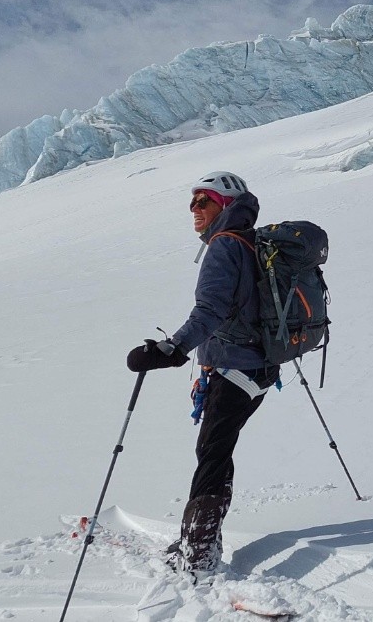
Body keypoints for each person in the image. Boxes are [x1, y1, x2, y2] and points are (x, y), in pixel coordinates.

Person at [126, 171, 277, 573]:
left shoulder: (224, 247)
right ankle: (203, 541)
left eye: (204, 201)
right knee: (216, 450)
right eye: (192, 202)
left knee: (211, 455)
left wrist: (171, 349)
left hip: (237, 370)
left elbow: (208, 311)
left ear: (225, 204)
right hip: (260, 369)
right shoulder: (250, 241)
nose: (194, 209)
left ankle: (198, 553)